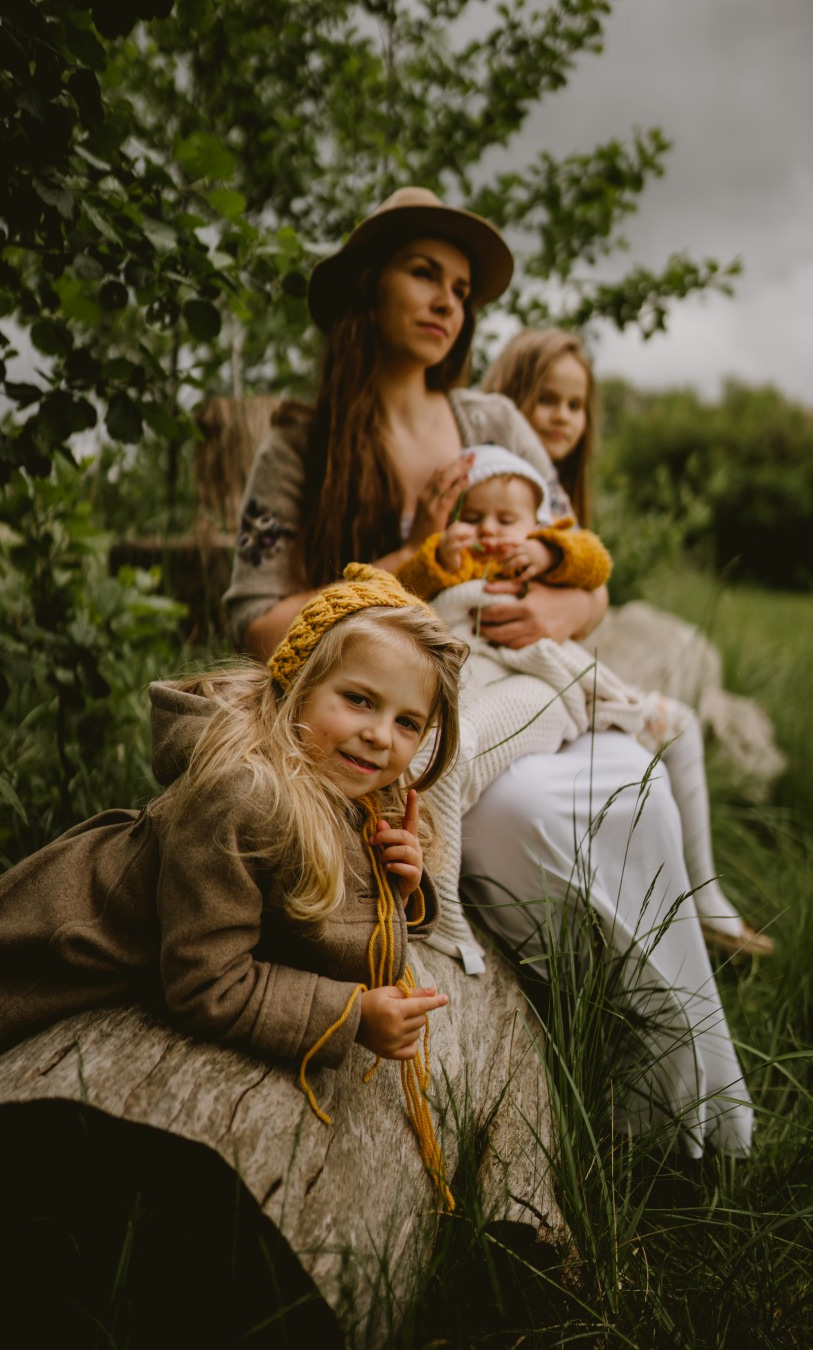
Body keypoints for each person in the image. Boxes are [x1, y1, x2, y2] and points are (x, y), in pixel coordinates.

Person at [224, 186, 754, 1157]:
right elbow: (258, 620)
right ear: (365, 286)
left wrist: (558, 609)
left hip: (528, 684)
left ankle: (690, 1101)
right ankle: (596, 1058)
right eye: (422, 273)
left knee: (629, 789)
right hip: (399, 730)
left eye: (461, 289)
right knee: (528, 816)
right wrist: (409, 574)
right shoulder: (302, 443)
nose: (446, 302)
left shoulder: (492, 420)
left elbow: (583, 572)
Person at [0, 565, 467, 1194]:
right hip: (14, 983)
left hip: (85, 984)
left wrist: (396, 888)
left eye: (408, 722)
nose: (380, 735)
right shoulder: (242, 796)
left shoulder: (341, 783)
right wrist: (351, 1015)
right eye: (358, 699)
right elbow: (206, 982)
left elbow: (303, 925)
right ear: (299, 683)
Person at [481, 327, 774, 958]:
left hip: (553, 663)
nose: (562, 416)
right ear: (510, 397)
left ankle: (704, 905)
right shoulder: (496, 486)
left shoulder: (554, 495)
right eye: (546, 399)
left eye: (575, 404)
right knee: (667, 735)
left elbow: (594, 581)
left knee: (680, 727)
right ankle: (689, 917)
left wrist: (576, 599)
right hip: (516, 675)